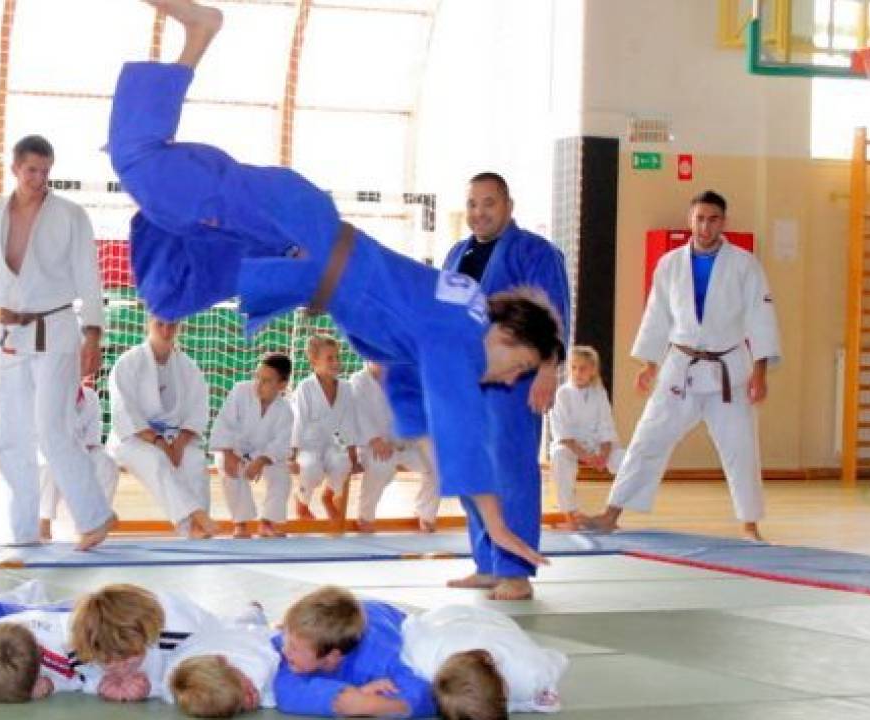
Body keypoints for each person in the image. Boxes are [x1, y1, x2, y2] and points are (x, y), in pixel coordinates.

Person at [109, 0, 563, 568]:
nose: (512, 378)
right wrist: (498, 525)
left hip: (292, 258)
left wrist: (423, 439)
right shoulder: (457, 334)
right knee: (137, 160)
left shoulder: (456, 319)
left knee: (168, 292)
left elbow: (424, 411)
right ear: (508, 334)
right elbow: (461, 432)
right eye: (521, 365)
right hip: (295, 231)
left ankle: (173, 206)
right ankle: (200, 34)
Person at [0, 134, 116, 551]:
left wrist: (93, 333)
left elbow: (88, 275)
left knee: (53, 429)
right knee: (9, 438)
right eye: (32, 170)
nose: (39, 179)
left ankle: (94, 516)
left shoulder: (70, 215)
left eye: (45, 171)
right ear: (15, 169)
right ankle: (24, 531)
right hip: (10, 335)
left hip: (56, 330)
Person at [587, 190, 780, 541]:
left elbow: (761, 318)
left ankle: (750, 525)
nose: (705, 226)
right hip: (680, 369)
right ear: (690, 220)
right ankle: (611, 513)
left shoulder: (745, 265)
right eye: (700, 218)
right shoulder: (670, 263)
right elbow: (656, 315)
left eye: (713, 219)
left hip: (728, 372)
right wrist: (649, 363)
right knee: (647, 439)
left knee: (741, 450)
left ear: (724, 222)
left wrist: (760, 371)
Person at [442, 172, 571, 601]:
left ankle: (515, 571)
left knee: (512, 469)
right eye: (472, 204)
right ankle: (487, 563)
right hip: (467, 376)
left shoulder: (535, 252)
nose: (479, 212)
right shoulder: (457, 254)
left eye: (489, 202)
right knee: (472, 468)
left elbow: (553, 314)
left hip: (516, 379)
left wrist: (549, 370)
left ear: (509, 206)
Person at [107, 314, 216, 538]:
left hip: (175, 437)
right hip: (133, 438)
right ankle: (194, 517)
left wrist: (180, 443)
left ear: (179, 326)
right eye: (160, 324)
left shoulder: (188, 366)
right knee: (156, 460)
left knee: (194, 460)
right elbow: (124, 411)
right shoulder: (128, 363)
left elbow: (197, 408)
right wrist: (157, 441)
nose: (166, 331)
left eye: (172, 325)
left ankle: (195, 527)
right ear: (148, 323)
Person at [271, 585, 434, 718]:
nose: (285, 650)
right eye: (286, 637)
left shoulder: (379, 659)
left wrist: (373, 705)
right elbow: (286, 691)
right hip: (350, 620)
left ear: (332, 657)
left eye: (293, 647)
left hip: (384, 621)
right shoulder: (296, 643)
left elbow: (427, 695)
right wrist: (353, 694)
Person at [401, 603, 568, 715]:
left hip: (494, 621)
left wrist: (532, 698)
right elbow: (409, 624)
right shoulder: (423, 659)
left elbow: (559, 660)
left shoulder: (530, 673)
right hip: (444, 617)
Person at [69, 583, 221, 702]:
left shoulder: (178, 639)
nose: (121, 667)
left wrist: (152, 689)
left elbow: (202, 688)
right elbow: (78, 679)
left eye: (128, 657)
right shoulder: (83, 649)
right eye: (107, 661)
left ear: (147, 640)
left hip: (212, 632)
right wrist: (99, 685)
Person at [211, 352, 296, 538]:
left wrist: (261, 460)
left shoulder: (285, 410)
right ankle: (241, 523)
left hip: (263, 455)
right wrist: (228, 454)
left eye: (266, 381)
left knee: (282, 475)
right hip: (233, 449)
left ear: (282, 385)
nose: (258, 384)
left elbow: (281, 444)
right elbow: (224, 423)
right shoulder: (240, 391)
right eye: (257, 377)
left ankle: (268, 522)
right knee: (229, 469)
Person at [351, 361, 440, 533]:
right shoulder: (358, 382)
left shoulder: (402, 378)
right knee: (380, 467)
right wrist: (374, 439)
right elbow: (359, 416)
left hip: (406, 443)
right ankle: (365, 515)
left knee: (438, 464)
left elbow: (415, 410)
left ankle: (425, 512)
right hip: (373, 446)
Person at [548, 346, 624, 528]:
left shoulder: (599, 393)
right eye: (573, 368)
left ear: (593, 370)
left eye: (583, 368)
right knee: (559, 455)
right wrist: (585, 456)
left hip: (597, 445)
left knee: (625, 460)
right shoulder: (562, 394)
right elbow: (563, 433)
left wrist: (604, 454)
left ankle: (612, 513)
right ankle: (570, 513)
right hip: (571, 446)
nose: (577, 373)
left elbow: (606, 425)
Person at [0, 602, 102, 702]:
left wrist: (53, 685)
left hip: (73, 617)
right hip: (22, 614)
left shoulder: (68, 649)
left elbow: (90, 680)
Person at [290, 335, 359, 521]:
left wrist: (352, 452)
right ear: (314, 361)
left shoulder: (346, 388)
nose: (336, 362)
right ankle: (302, 503)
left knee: (343, 463)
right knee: (310, 467)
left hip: (335, 440)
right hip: (308, 443)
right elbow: (298, 422)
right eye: (330, 358)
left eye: (337, 357)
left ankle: (327, 497)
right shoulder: (305, 387)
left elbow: (348, 422)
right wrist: (292, 455)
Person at [39, 384, 120, 541]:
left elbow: (92, 439)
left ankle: (92, 524)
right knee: (49, 464)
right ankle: (43, 522)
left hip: (81, 451)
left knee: (106, 464)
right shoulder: (46, 394)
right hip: (50, 452)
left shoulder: (90, 396)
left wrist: (76, 453)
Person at [164, 611, 280, 717]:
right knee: (240, 619)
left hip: (254, 635)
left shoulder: (259, 667)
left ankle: (255, 610)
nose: (249, 699)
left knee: (251, 620)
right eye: (239, 705)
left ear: (225, 660)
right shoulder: (175, 687)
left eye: (248, 689)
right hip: (208, 636)